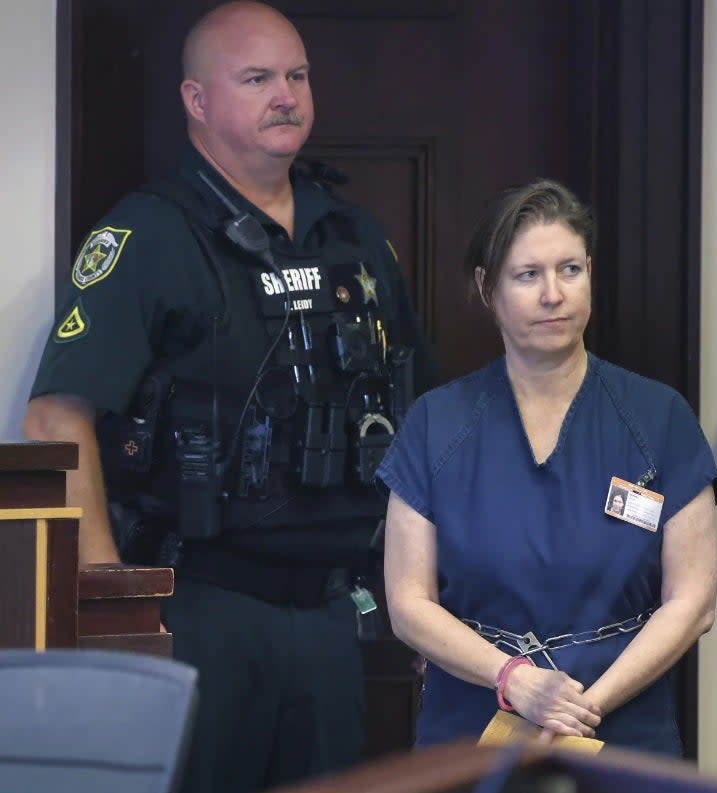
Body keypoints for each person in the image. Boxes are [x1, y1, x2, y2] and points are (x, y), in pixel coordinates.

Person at [23, 3, 435, 792]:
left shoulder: (353, 237)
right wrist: (114, 615)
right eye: (257, 79)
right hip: (196, 609)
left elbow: (420, 416)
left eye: (297, 75)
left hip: (327, 613)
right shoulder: (148, 238)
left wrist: (425, 591)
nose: (286, 95)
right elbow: (55, 418)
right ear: (196, 99)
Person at [376, 179, 717, 756]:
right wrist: (516, 682)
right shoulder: (436, 422)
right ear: (488, 289)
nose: (553, 294)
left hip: (623, 727)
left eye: (570, 270)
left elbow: (693, 602)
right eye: (527, 274)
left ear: (590, 272)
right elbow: (408, 604)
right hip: (474, 726)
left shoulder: (658, 417)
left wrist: (582, 707)